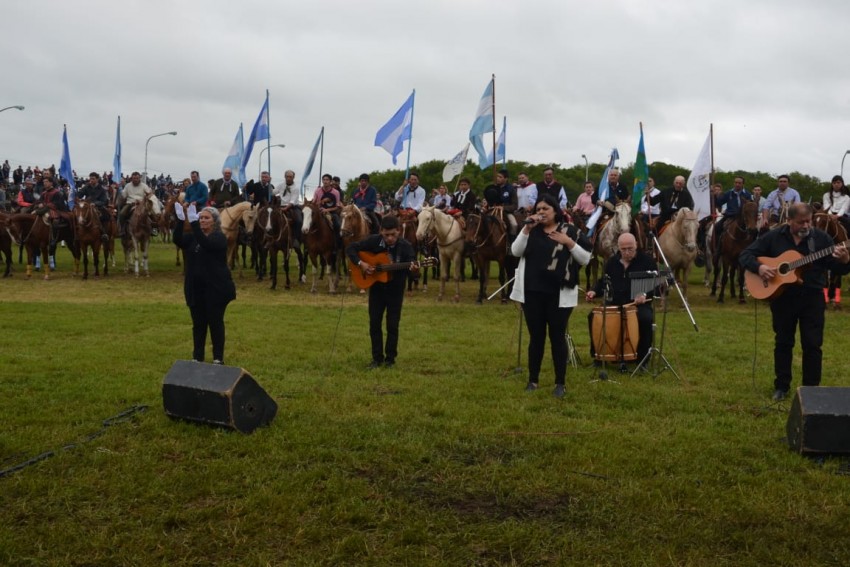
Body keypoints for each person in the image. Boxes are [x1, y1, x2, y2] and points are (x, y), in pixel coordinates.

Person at [740, 203, 850, 401]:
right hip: (783, 298)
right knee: (783, 342)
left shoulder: (820, 238)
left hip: (813, 296)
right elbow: (745, 254)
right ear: (789, 220)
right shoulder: (774, 236)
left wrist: (844, 261)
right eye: (800, 222)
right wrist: (760, 268)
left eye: (808, 221)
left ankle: (812, 389)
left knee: (813, 344)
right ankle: (781, 386)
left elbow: (836, 267)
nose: (806, 225)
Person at [510, 194, 592, 397]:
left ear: (556, 211)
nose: (541, 212)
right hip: (532, 293)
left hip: (559, 294)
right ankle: (533, 380)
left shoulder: (569, 231)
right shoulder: (531, 231)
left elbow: (586, 258)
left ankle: (560, 383)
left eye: (545, 208)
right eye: (538, 209)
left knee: (557, 338)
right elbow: (515, 251)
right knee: (536, 338)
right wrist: (526, 229)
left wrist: (568, 243)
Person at [345, 215, 419, 369]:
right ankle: (376, 359)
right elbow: (350, 248)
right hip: (377, 290)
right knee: (374, 324)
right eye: (386, 235)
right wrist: (362, 263)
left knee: (392, 325)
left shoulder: (406, 247)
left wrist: (414, 270)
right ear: (381, 232)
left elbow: (414, 273)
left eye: (393, 234)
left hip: (395, 291)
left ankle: (390, 359)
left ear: (399, 231)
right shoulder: (373, 241)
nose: (390, 238)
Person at [172, 202, 236, 365]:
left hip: (216, 289)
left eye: (205, 218)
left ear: (214, 221)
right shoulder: (194, 236)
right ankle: (197, 356)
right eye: (200, 218)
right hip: (196, 289)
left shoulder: (219, 237)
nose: (202, 221)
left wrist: (193, 224)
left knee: (215, 322)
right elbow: (178, 240)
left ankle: (217, 357)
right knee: (198, 324)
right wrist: (180, 221)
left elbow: (207, 245)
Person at [585, 232, 657, 369]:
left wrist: (645, 295)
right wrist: (594, 291)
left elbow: (656, 284)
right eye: (623, 249)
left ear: (636, 245)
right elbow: (603, 281)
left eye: (630, 248)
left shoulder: (647, 261)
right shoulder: (612, 262)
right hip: (615, 302)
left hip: (637, 304)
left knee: (646, 319)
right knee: (593, 316)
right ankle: (598, 356)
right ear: (618, 248)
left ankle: (643, 359)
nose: (627, 252)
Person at [712, 176, 753, 250]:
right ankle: (717, 250)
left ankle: (751, 251)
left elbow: (750, 206)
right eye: (736, 183)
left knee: (754, 231)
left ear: (743, 184)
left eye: (739, 183)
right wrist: (714, 195)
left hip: (743, 218)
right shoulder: (728, 193)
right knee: (717, 227)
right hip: (730, 216)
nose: (737, 184)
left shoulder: (747, 194)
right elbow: (719, 202)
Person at [482, 169, 519, 236]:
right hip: (492, 210)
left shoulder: (511, 189)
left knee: (514, 225)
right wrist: (486, 204)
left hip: (506, 213)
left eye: (500, 177)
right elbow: (489, 200)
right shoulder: (493, 188)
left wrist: (503, 208)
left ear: (506, 179)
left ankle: (511, 243)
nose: (498, 178)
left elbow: (515, 205)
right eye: (497, 176)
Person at [76, 172, 111, 243]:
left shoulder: (102, 189)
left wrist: (95, 204)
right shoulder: (86, 187)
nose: (91, 180)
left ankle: (104, 233)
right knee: (77, 215)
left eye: (93, 179)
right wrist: (76, 194)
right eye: (90, 179)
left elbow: (104, 200)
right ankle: (76, 233)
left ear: (97, 179)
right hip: (87, 206)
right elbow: (79, 194)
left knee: (106, 215)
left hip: (98, 206)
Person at [274, 169, 303, 242]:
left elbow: (293, 201)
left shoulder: (295, 188)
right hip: (281, 206)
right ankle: (271, 237)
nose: (289, 178)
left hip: (293, 207)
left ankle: (296, 239)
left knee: (299, 221)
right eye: (287, 176)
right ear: (285, 177)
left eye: (290, 177)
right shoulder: (281, 185)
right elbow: (273, 192)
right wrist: (269, 185)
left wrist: (286, 208)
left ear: (293, 178)